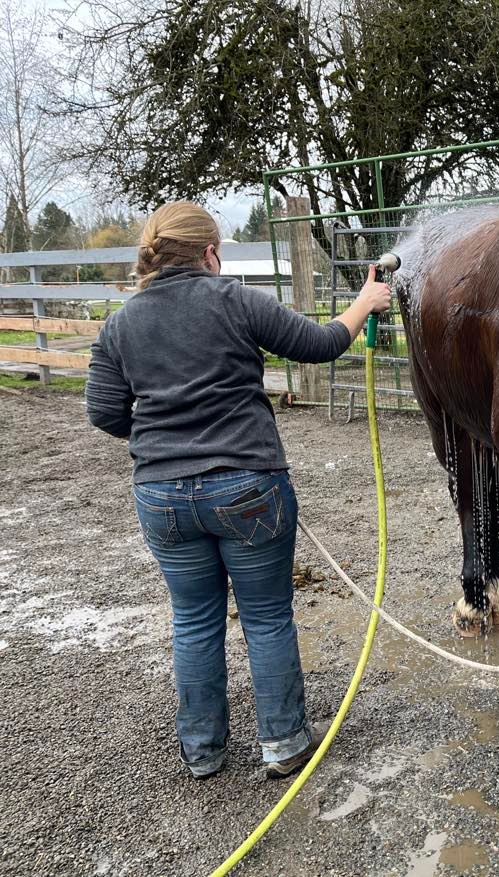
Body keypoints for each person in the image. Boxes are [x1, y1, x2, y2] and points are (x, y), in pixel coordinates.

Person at [86, 201, 393, 779]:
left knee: (194, 620)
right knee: (267, 617)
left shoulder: (120, 324)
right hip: (247, 489)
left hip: (162, 498)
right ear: (208, 254)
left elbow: (104, 412)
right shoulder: (236, 301)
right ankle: (284, 745)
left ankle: (203, 751)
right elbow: (323, 343)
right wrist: (364, 303)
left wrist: (163, 435)